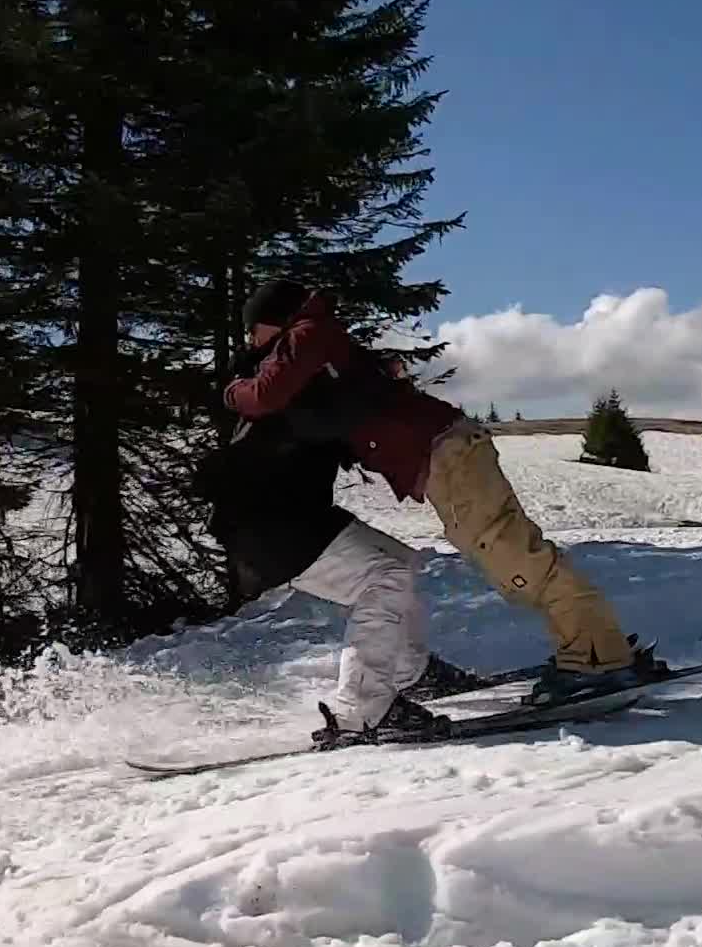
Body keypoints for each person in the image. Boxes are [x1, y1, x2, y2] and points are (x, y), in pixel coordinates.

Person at [220, 277, 663, 712]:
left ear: (271, 319)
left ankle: (596, 658)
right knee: (511, 556)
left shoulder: (308, 332)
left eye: (253, 330)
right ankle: (594, 647)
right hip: (447, 453)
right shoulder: (320, 343)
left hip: (446, 453)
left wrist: (230, 391)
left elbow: (264, 394)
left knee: (518, 560)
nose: (252, 343)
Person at [193, 408, 482, 747]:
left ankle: (410, 673)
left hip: (297, 515)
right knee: (387, 577)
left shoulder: (312, 383)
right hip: (274, 528)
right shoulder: (315, 382)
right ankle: (362, 710)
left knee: (404, 562)